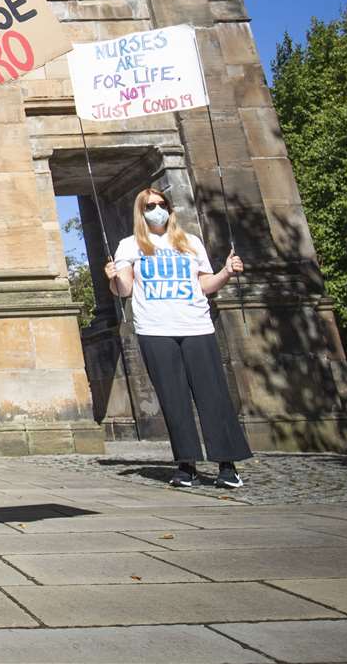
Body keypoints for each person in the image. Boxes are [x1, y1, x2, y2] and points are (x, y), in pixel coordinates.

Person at [104, 187, 250, 489]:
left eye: (161, 204)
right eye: (149, 206)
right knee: (174, 399)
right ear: (140, 212)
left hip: (196, 325)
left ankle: (227, 465)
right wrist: (112, 278)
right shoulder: (129, 245)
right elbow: (125, 290)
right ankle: (186, 465)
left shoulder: (190, 242)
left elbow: (206, 285)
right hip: (155, 328)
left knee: (214, 396)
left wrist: (226, 272)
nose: (156, 209)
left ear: (170, 208)